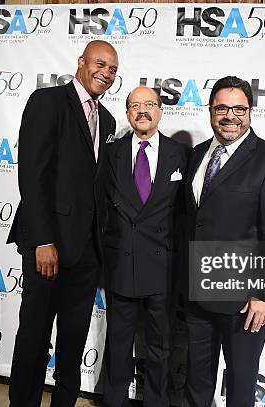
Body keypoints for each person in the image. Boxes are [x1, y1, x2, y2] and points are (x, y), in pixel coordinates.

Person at [6, 40, 119, 407]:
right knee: (35, 338)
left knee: (72, 342)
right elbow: (33, 175)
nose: (106, 73)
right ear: (81, 62)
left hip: (87, 254)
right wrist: (41, 240)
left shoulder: (109, 120)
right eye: (100, 64)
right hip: (48, 247)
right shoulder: (48, 102)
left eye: (113, 69)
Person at [183, 76, 265, 407]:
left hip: (244, 300)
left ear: (250, 111)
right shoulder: (198, 155)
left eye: (238, 108)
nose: (229, 115)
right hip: (196, 293)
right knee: (196, 379)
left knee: (240, 382)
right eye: (221, 107)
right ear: (210, 111)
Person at [102, 86, 188, 407]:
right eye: (135, 105)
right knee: (119, 345)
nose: (143, 110)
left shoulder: (180, 154)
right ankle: (113, 402)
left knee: (161, 347)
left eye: (149, 104)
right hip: (122, 266)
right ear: (127, 114)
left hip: (163, 269)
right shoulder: (112, 154)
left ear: (160, 111)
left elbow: (185, 215)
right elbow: (101, 209)